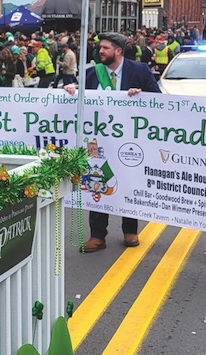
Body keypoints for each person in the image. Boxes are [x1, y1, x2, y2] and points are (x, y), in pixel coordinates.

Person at [64, 32, 160, 253]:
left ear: (118, 51)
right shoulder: (92, 73)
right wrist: (71, 91)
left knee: (129, 180)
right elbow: (80, 99)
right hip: (98, 140)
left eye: (106, 48)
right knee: (97, 180)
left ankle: (130, 230)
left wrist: (142, 94)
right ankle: (97, 235)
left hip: (129, 140)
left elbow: (158, 100)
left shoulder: (139, 71)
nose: (101, 51)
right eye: (100, 48)